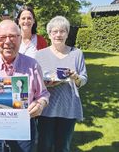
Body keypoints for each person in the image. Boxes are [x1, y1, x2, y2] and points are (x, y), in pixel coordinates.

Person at [0, 20, 50, 152]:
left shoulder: (32, 65)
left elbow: (43, 94)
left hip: (23, 129)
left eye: (13, 36)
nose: (8, 42)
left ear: (20, 38)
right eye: (2, 37)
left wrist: (40, 104)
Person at [34, 16, 88, 152]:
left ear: (67, 33)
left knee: (63, 147)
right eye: (55, 31)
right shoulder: (39, 55)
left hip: (68, 107)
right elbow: (35, 82)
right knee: (44, 146)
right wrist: (47, 84)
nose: (58, 34)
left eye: (62, 31)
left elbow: (83, 79)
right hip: (46, 107)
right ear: (49, 34)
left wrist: (75, 77)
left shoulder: (77, 53)